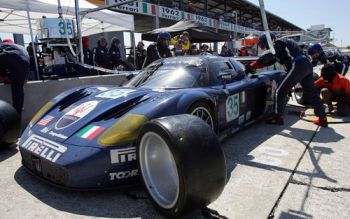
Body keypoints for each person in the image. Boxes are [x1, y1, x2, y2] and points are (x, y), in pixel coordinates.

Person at [245, 33, 327, 127]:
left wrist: (253, 65)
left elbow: (269, 55)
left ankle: (277, 118)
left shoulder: (279, 42)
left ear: (268, 41)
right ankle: (323, 118)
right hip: (306, 65)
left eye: (264, 44)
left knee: (280, 91)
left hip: (298, 64)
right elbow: (269, 61)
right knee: (311, 93)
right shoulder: (281, 48)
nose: (265, 48)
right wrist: (256, 66)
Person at [0, 41, 29, 114]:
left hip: (11, 57)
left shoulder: (3, 46)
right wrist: (24, 77)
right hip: (24, 60)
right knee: (18, 88)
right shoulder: (17, 46)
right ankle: (17, 113)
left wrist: (4, 76)